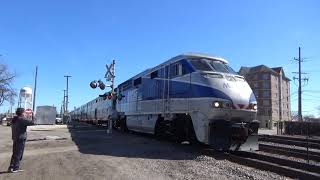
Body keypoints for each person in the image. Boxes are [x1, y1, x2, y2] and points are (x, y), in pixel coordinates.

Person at [8, 108, 35, 173]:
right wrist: (33, 115)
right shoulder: (21, 119)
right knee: (19, 154)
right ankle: (15, 168)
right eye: (24, 112)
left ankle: (11, 167)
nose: (25, 113)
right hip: (20, 139)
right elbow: (32, 122)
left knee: (15, 153)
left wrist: (27, 116)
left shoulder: (15, 119)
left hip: (15, 138)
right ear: (22, 113)